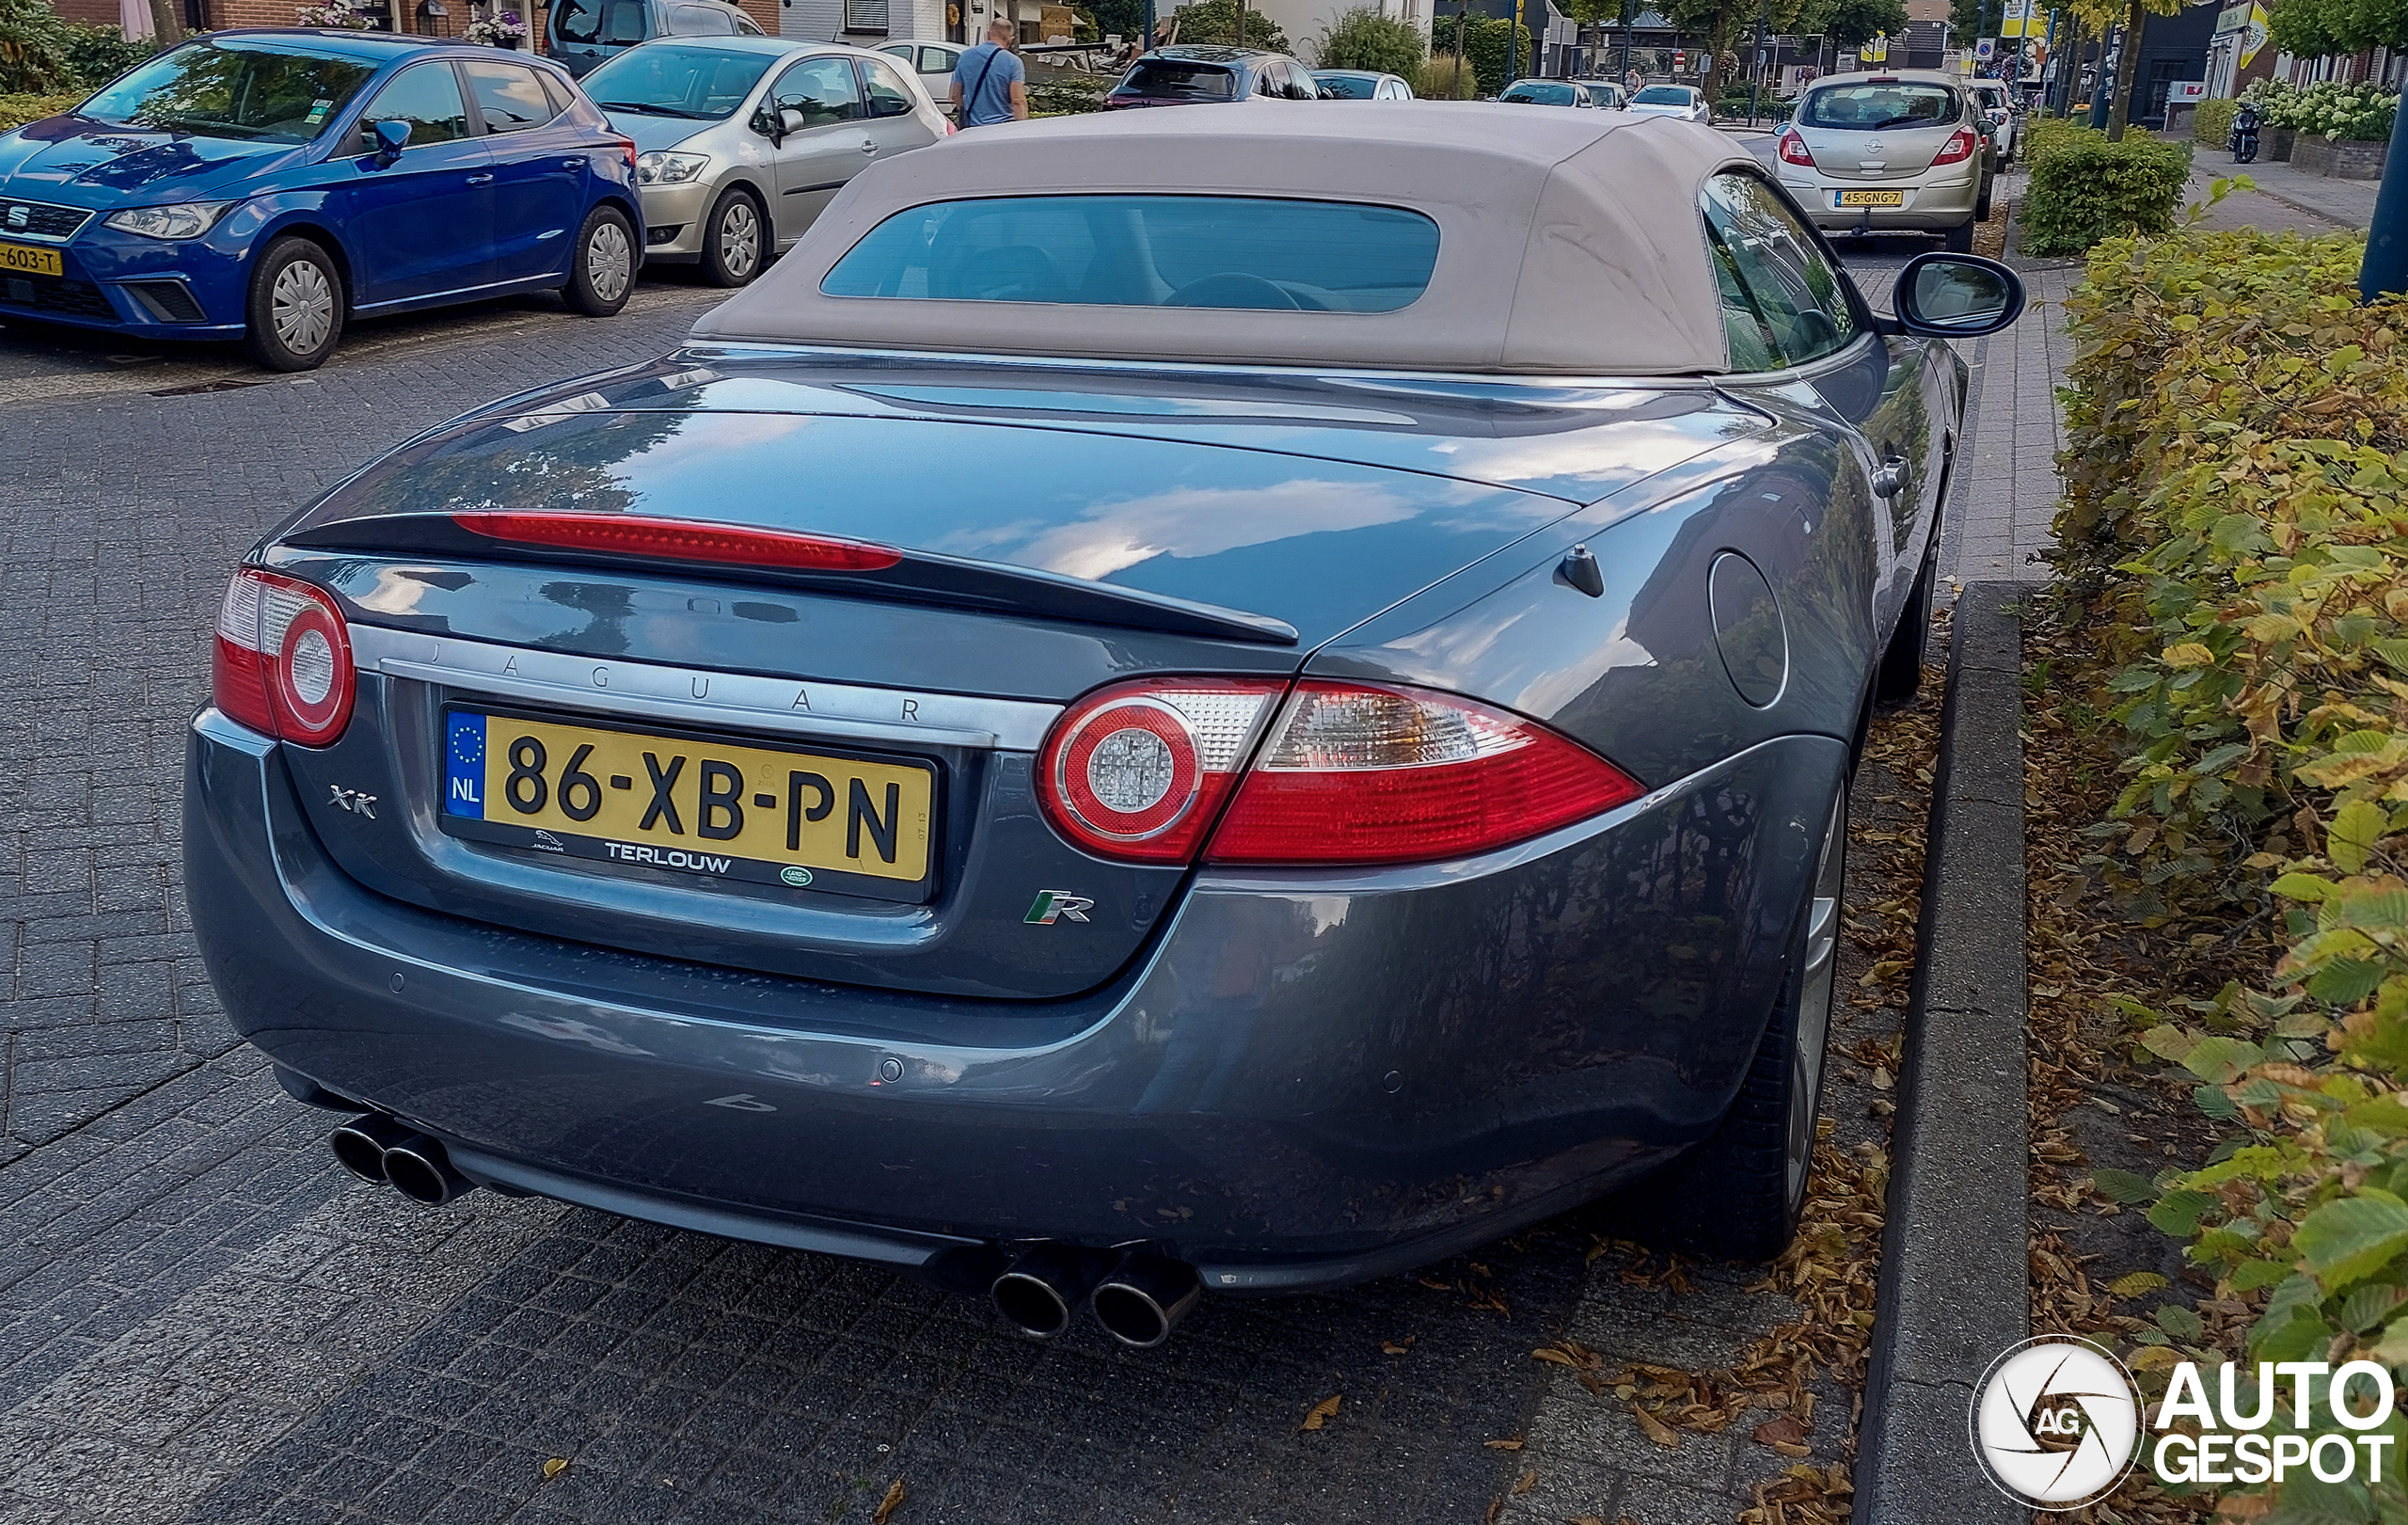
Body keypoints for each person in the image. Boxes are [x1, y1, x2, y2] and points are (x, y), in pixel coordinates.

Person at [951, 18, 1029, 128]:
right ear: (1010, 40)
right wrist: (1022, 128)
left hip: (973, 128)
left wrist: (967, 111)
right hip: (1003, 128)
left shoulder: (965, 56)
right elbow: (1017, 101)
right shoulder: (1014, 62)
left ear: (987, 35)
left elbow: (955, 95)